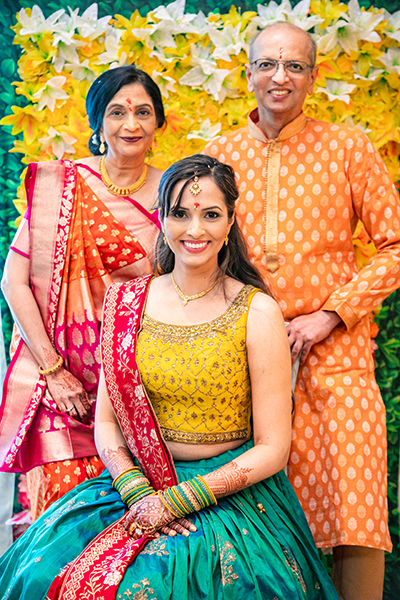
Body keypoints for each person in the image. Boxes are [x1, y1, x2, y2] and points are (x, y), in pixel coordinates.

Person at [0, 154, 339, 600]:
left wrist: (173, 503)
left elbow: (273, 448)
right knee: (40, 576)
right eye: (180, 214)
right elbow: (106, 422)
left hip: (228, 493)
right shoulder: (127, 301)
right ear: (161, 219)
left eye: (211, 215)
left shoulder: (257, 311)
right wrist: (138, 491)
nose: (195, 230)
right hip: (135, 482)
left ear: (231, 220)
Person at [204, 21, 400, 600]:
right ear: (248, 75)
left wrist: (331, 315)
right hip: (246, 355)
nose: (279, 76)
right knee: (259, 510)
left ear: (314, 76)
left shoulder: (348, 148)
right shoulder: (219, 155)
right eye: (267, 64)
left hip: (337, 354)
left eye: (294, 65)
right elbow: (200, 249)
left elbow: (396, 244)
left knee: (354, 504)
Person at [0, 66, 165, 520]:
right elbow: (13, 281)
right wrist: (54, 371)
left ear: (159, 124)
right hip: (62, 389)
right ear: (97, 123)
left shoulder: (176, 191)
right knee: (62, 528)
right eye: (117, 112)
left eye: (143, 112)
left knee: (138, 534)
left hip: (144, 389)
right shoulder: (64, 185)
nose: (130, 124)